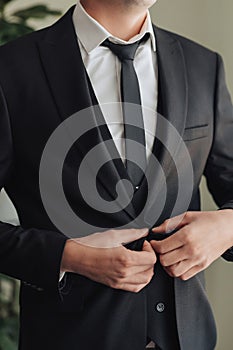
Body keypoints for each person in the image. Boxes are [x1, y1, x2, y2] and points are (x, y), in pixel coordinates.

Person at [0, 0, 233, 349]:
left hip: (189, 338)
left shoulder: (203, 64)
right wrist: (68, 256)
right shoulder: (11, 69)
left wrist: (227, 226)